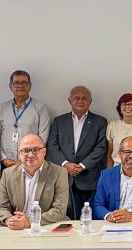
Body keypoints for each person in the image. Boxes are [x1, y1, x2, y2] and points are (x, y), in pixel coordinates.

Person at [46, 86, 107, 218]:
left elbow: (101, 147)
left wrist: (82, 166)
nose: (80, 101)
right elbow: (52, 146)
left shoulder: (100, 121)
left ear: (90, 101)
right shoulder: (59, 121)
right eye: (76, 98)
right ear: (70, 100)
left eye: (84, 98)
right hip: (64, 176)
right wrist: (66, 164)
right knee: (68, 218)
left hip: (89, 178)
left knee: (90, 217)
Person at [0, 134, 69, 229]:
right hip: (18, 228)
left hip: (47, 227)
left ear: (44, 152)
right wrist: (9, 220)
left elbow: (59, 210)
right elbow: (1, 207)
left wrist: (30, 221)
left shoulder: (59, 173)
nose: (30, 155)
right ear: (19, 154)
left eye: (36, 150)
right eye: (25, 151)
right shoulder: (8, 174)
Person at [0, 70, 52, 170]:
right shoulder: (1, 108)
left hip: (32, 161)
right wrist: (3, 159)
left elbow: (43, 138)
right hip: (7, 163)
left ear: (30, 86)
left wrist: (25, 160)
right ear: (10, 87)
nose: (20, 86)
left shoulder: (41, 108)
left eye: (24, 82)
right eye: (16, 83)